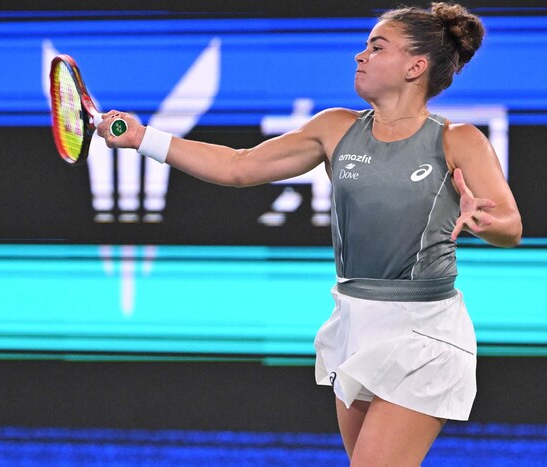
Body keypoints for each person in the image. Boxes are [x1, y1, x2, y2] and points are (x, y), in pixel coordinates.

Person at [97, 2, 522, 465]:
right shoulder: (334, 128)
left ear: (415, 67)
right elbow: (239, 166)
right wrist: (142, 138)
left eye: (377, 47)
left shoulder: (459, 139)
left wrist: (484, 221)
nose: (360, 55)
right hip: (355, 322)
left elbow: (510, 226)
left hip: (425, 333)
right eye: (365, 46)